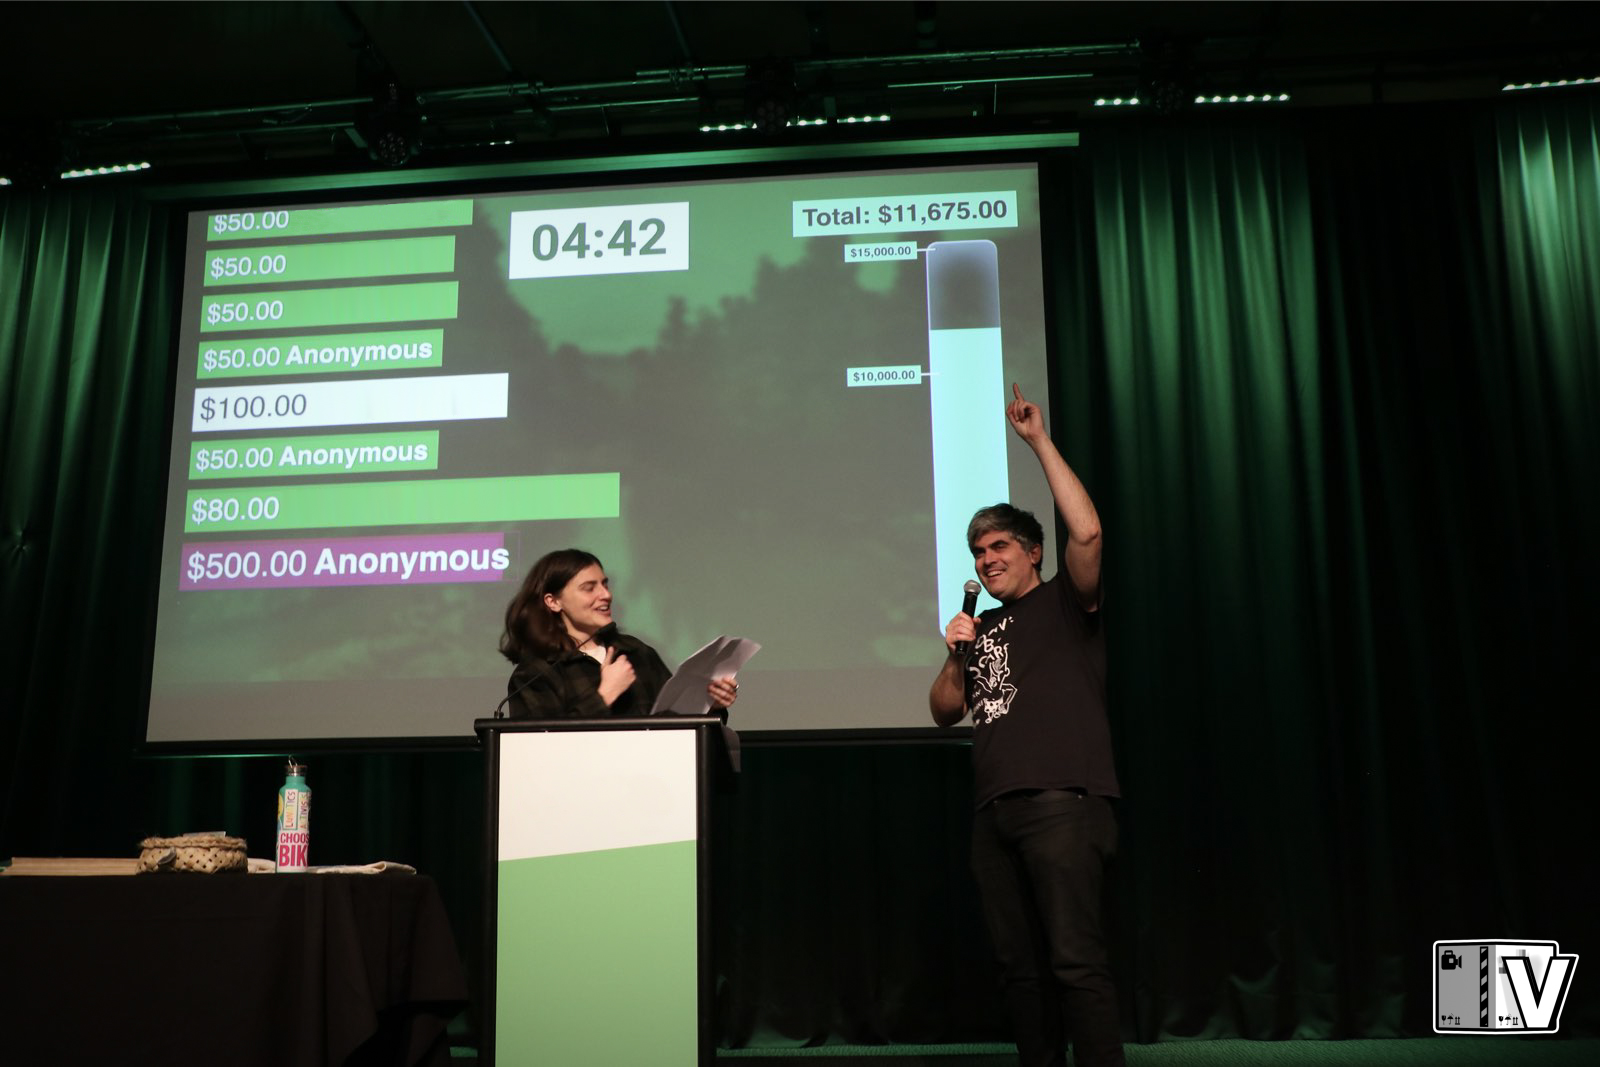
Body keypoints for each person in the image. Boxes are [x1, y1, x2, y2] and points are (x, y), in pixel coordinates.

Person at [929, 384, 1123, 1067]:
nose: (987, 559)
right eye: (978, 550)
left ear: (1033, 551)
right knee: (1020, 972)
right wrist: (955, 652)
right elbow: (943, 707)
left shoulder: (1066, 603)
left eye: (1000, 545)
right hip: (995, 812)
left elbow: (1090, 532)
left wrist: (1039, 441)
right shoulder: (979, 630)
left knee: (1074, 962)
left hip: (1062, 801)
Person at [500, 548, 739, 718]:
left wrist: (710, 704)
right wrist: (604, 695)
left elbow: (674, 723)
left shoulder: (636, 652)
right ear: (553, 602)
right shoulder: (536, 673)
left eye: (604, 584)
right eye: (589, 588)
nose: (605, 595)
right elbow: (537, 753)